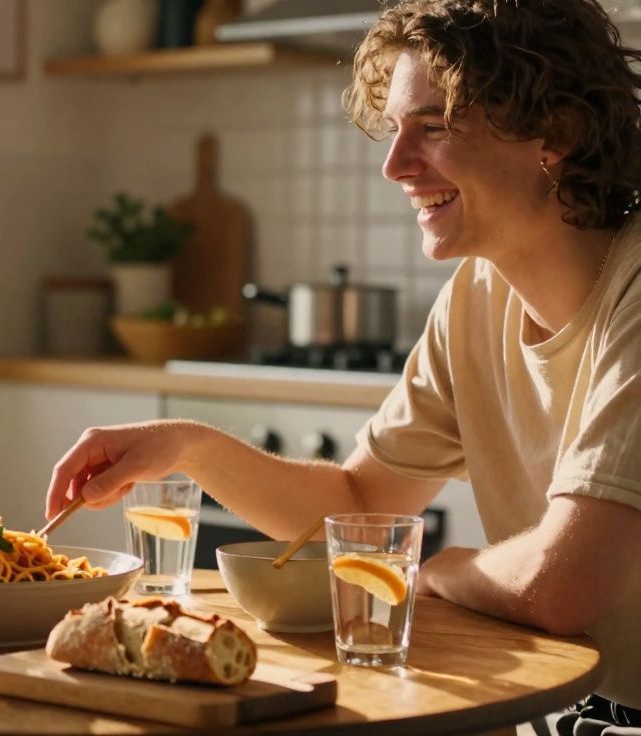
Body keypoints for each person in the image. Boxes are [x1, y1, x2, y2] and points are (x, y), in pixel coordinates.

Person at [46, 0, 641, 730]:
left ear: (557, 133)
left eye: (435, 126)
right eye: (395, 130)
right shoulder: (475, 300)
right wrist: (187, 446)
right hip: (571, 706)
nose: (395, 166)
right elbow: (362, 504)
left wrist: (446, 571)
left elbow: (564, 584)